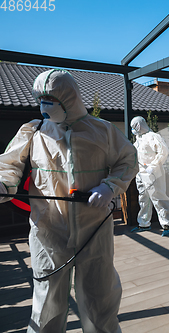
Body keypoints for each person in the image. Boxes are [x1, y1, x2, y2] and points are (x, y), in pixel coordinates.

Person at [0, 69, 138, 333]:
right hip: (48, 230)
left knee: (100, 298)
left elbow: (128, 160)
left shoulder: (103, 130)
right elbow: (9, 164)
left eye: (50, 100)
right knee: (47, 301)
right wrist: (4, 183)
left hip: (94, 229)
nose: (44, 106)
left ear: (69, 99)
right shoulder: (34, 131)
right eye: (41, 99)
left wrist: (110, 187)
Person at [129, 116, 169, 236]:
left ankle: (167, 224)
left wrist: (153, 166)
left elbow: (163, 151)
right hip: (141, 173)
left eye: (134, 127)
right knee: (143, 199)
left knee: (158, 198)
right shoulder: (138, 139)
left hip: (153, 173)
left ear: (139, 126)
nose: (133, 130)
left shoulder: (153, 137)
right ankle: (144, 223)